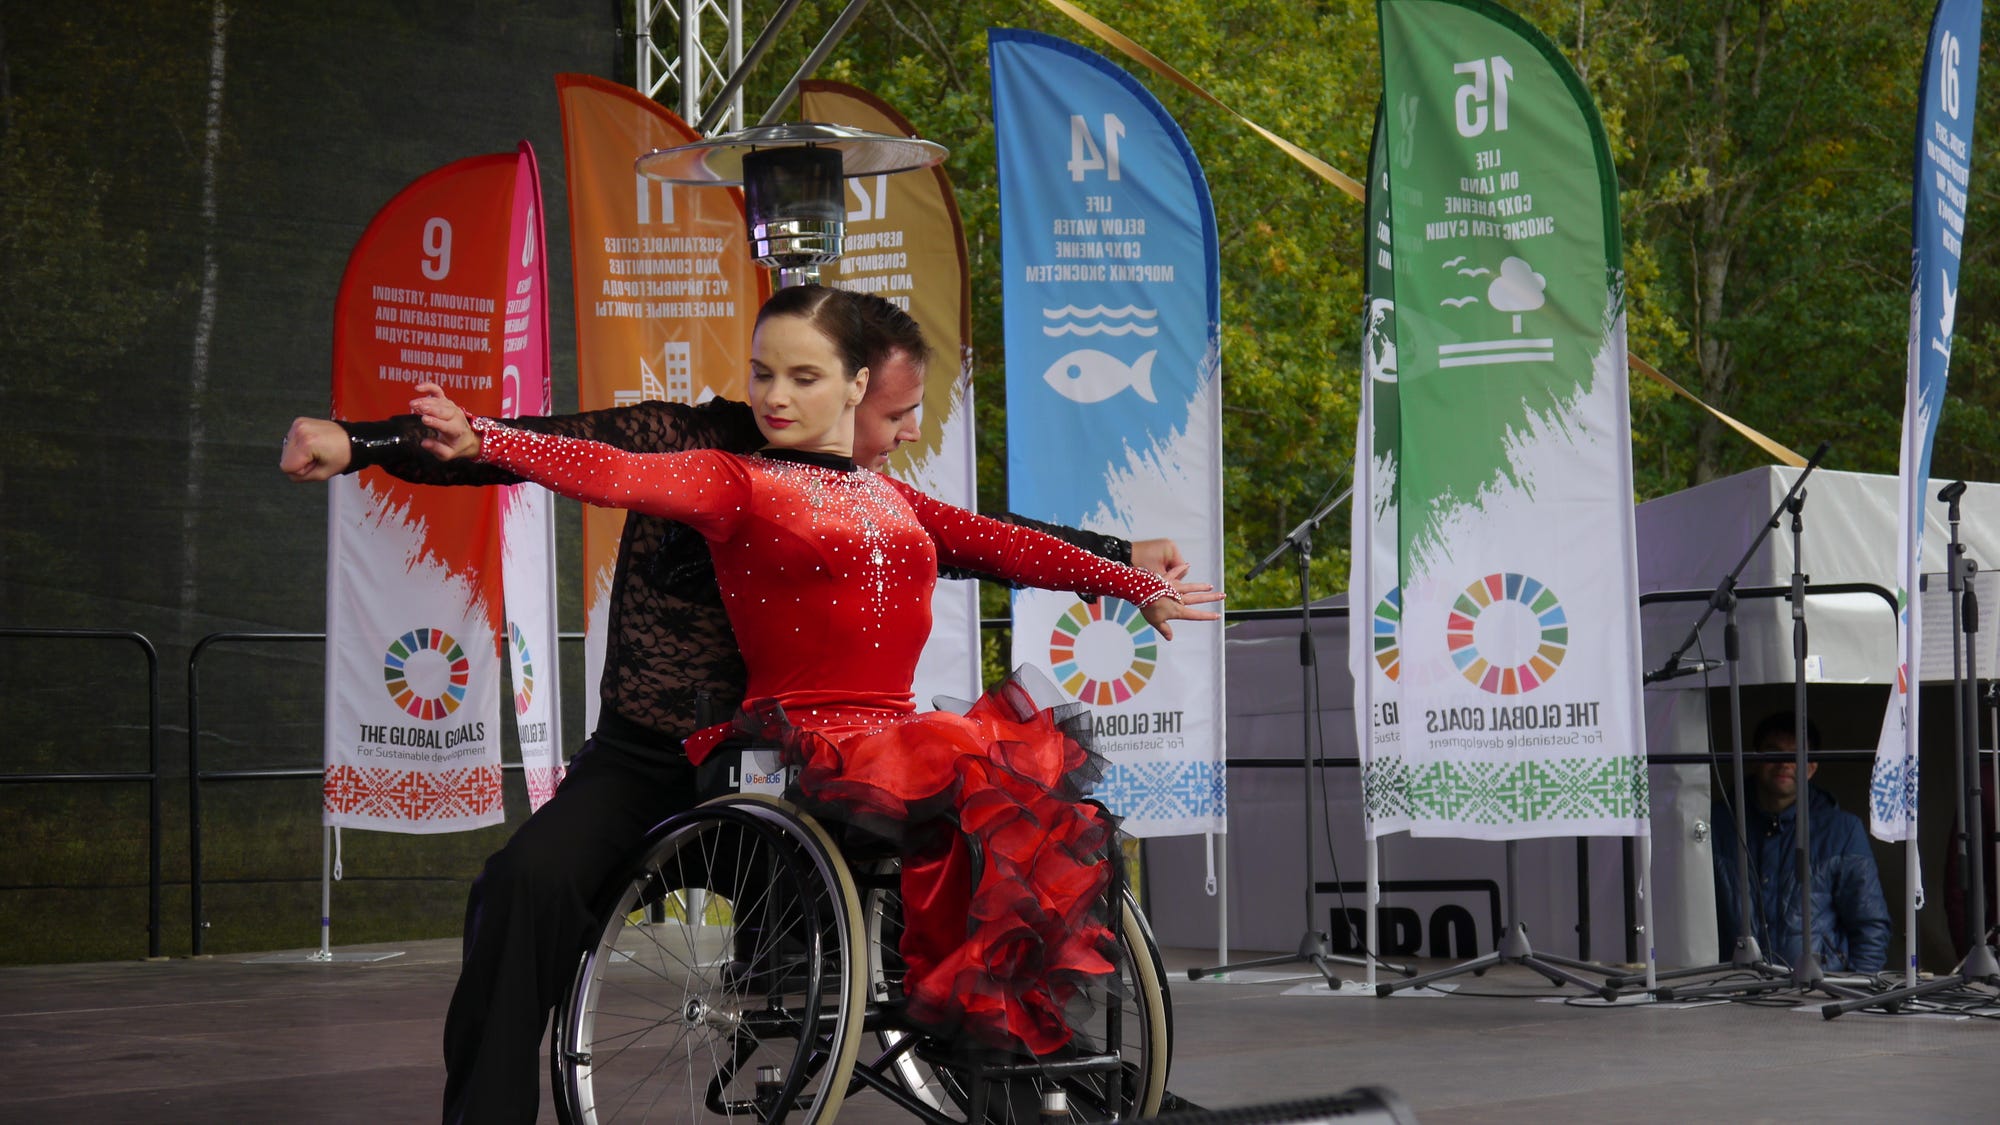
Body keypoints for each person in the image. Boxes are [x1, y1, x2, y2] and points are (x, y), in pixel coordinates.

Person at [280, 290, 1197, 1123]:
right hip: (658, 756)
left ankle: (1063, 1089)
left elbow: (998, 539)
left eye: (807, 377)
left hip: (821, 769)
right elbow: (578, 458)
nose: (906, 432)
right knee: (525, 884)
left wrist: (1125, 568)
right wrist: (374, 442)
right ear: (859, 389)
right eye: (895, 416)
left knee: (998, 855)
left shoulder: (883, 498)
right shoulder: (703, 455)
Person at [1711, 712, 1890, 974]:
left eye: (1796, 755)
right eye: (1773, 753)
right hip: (1728, 986)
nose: (1784, 763)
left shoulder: (1842, 830)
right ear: (1754, 760)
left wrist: (1855, 988)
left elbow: (1870, 925)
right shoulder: (1715, 824)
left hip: (1818, 987)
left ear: (1812, 767)